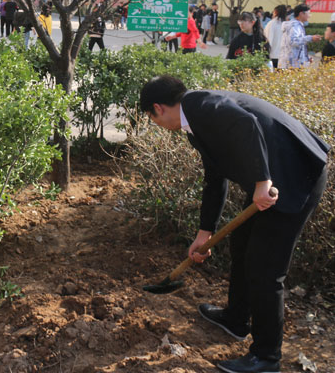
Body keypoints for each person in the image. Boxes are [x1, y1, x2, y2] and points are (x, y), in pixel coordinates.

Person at [140, 75, 329, 373]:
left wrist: (262, 181)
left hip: (294, 178)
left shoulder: (201, 105)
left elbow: (247, 124)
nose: (156, 124)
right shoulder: (195, 122)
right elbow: (215, 178)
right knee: (241, 244)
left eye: (152, 118)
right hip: (273, 178)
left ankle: (266, 358)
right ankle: (236, 318)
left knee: (265, 269)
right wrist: (205, 232)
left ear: (157, 108)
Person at [279, 4, 321, 69]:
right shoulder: (295, 25)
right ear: (301, 14)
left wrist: (306, 58)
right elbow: (293, 41)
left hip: (291, 63)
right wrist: (310, 38)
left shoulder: (297, 25)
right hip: (291, 65)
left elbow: (299, 47)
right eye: (308, 13)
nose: (310, 16)